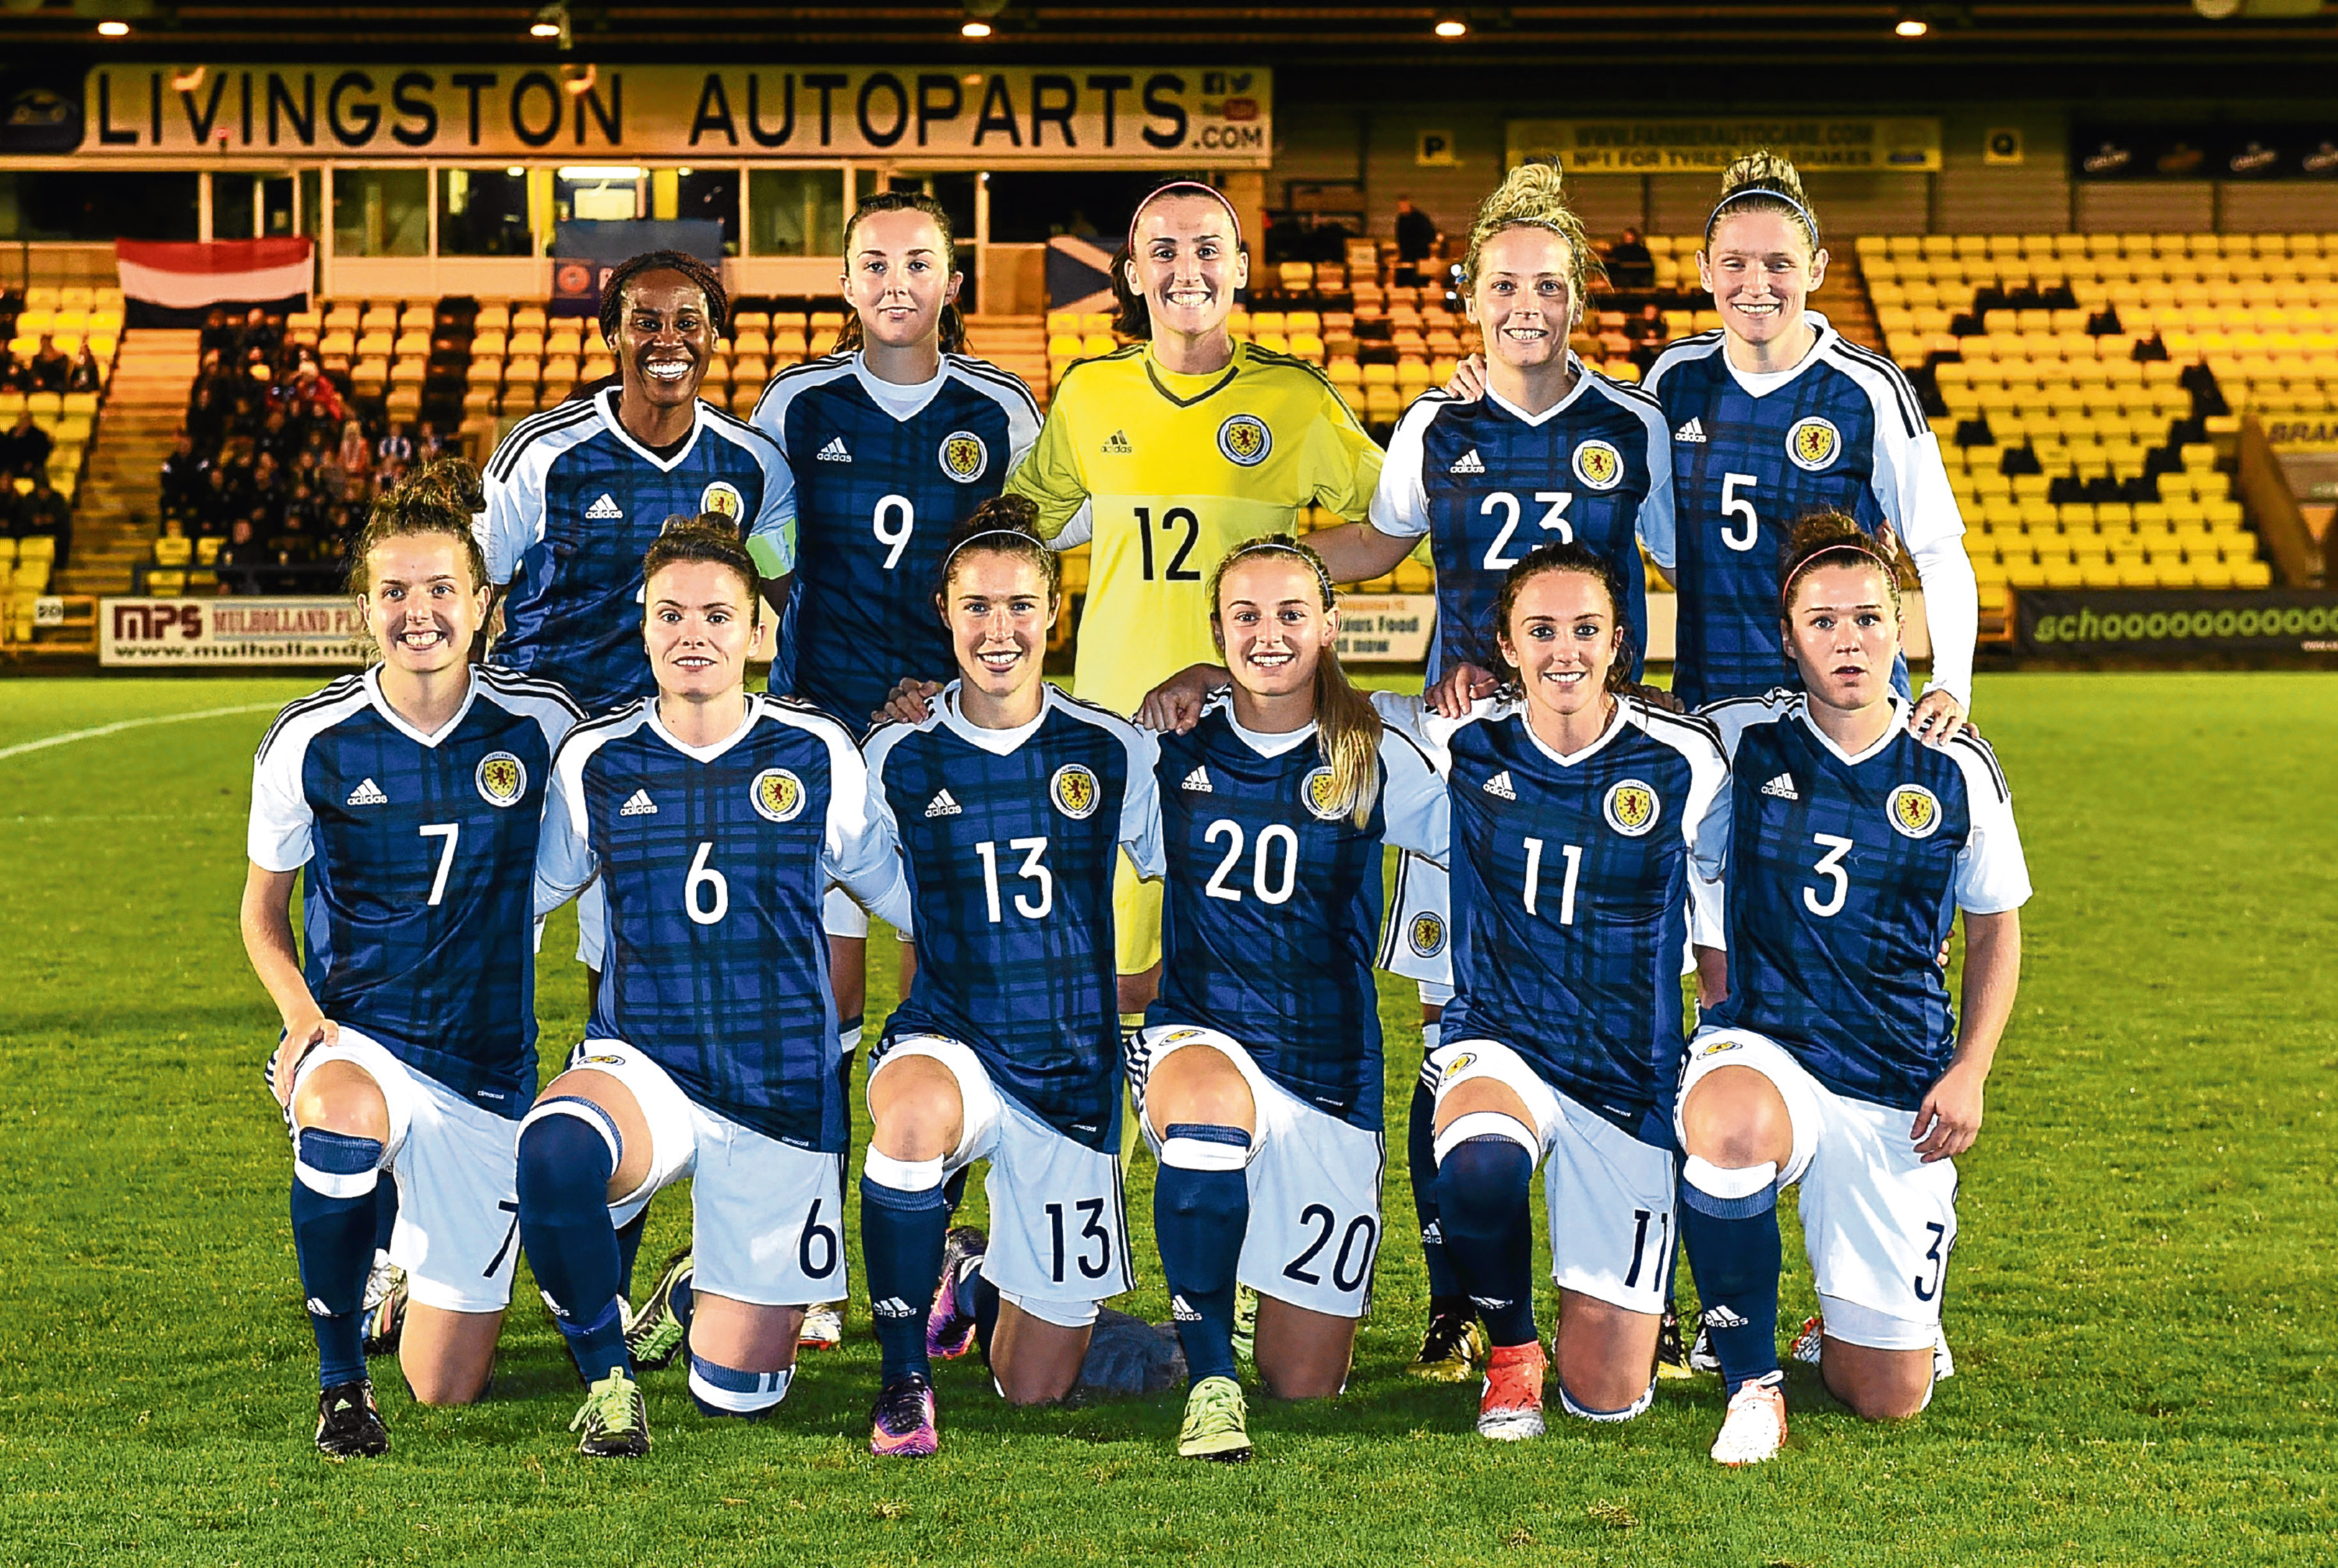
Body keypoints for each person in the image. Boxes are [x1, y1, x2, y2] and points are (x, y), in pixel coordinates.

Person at [523, 514, 908, 1458]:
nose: (693, 633)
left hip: (778, 1095)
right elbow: (518, 907)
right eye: (671, 614)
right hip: (643, 1064)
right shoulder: (595, 760)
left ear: (757, 631)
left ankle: (704, 1282)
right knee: (553, 1154)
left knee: (738, 1394)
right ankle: (610, 1379)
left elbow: (908, 894)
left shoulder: (817, 753)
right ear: (643, 626)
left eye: (717, 614)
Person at [239, 464, 583, 1457]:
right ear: (364, 606)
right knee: (343, 1120)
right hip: (363, 1042)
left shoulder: (544, 724)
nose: (418, 611)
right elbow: (263, 916)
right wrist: (304, 1024)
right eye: (395, 591)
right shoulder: (311, 738)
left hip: (486, 1070)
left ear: (483, 604)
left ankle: (398, 1249)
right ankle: (341, 1383)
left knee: (448, 1384)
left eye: (442, 589)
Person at [984, 178, 1382, 1017]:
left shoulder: (1295, 399)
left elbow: (1390, 529)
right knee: (1115, 979)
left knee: (1255, 972)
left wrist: (1277, 572)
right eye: (1162, 250)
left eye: (1207, 248)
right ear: (1130, 274)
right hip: (1119, 725)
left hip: (1254, 731)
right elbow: (1023, 532)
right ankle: (1116, 1149)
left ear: (1241, 267)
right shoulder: (1092, 396)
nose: (1186, 268)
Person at [1679, 512, 2027, 1467]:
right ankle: (1751, 1383)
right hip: (1769, 1045)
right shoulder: (1740, 743)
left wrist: (1971, 1071)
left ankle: (1840, 1328)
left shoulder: (1955, 765)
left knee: (1890, 1395)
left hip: (1897, 1080)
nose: (1849, 640)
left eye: (1870, 618)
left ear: (1899, 627)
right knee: (1728, 1120)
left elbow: (1995, 926)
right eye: (1824, 621)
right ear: (1787, 637)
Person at [749, 190, 1041, 1220]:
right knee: (822, 1001)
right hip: (821, 736)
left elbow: (1019, 582)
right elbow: (767, 557)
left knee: (944, 987)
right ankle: (812, 1247)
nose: (895, 283)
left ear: (952, 283)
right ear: (844, 282)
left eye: (918, 263)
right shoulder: (796, 404)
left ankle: (944, 1242)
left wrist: (962, 690)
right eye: (873, 264)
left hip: (946, 747)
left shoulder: (1001, 410)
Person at [1128, 536, 1446, 1461]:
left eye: (1290, 614)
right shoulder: (1167, 745)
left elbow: (1486, 836)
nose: (1268, 635)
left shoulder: (1371, 751)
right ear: (1217, 631)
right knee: (1203, 1118)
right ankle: (1210, 1382)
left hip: (1331, 1070)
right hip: (1204, 1032)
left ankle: (1006, 1293)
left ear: (1330, 625)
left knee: (1307, 1381)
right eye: (1246, 616)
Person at [856, 498, 1161, 1457]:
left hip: (1073, 1070)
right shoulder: (894, 753)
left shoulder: (1111, 750)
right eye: (978, 606)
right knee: (906, 1117)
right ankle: (904, 1380)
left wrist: (1155, 996)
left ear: (1053, 614)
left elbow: (1181, 883)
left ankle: (977, 1279)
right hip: (954, 1035)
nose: (1001, 628)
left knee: (1034, 1387)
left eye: (1021, 606)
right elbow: (856, 883)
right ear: (946, 612)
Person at [1402, 542, 1727, 1439]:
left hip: (1628, 1076)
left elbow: (1732, 890)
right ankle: (1510, 1349)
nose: (1564, 651)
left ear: (1619, 641)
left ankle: (1585, 1349)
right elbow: (1328, 727)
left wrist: (1728, 1032)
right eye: (1539, 630)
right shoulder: (1459, 738)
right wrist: (1209, 685)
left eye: (1586, 629)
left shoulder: (1687, 759)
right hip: (1502, 1036)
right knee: (1478, 1165)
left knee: (1609, 1397)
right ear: (1504, 645)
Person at [1644, 150, 1976, 733]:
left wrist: (1951, 684)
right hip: (1710, 706)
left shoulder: (1866, 388)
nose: (1756, 285)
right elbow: (1660, 534)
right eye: (1734, 264)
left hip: (1844, 714)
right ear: (1703, 270)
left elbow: (1939, 549)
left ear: (1817, 268)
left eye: (1779, 264)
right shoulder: (1674, 379)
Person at [13, 471, 71, 567]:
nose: (43, 494)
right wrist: (33, 519)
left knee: (65, 529)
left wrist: (53, 519)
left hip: (53, 528)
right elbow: (24, 513)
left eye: (45, 491)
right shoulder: (30, 498)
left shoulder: (57, 498)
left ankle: (60, 563)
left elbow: (63, 513)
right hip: (33, 528)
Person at [1606, 226, 1656, 290]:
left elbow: (1649, 266)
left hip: (1640, 280)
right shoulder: (1618, 250)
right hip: (1622, 281)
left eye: (1631, 235)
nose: (1629, 238)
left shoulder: (1642, 251)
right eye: (1627, 236)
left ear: (1635, 237)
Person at [1395, 198, 1438, 267]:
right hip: (1406, 254)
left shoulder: (1420, 218)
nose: (1401, 208)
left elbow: (1430, 233)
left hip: (1420, 254)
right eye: (1400, 207)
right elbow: (1400, 236)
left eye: (1403, 206)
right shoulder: (1401, 219)